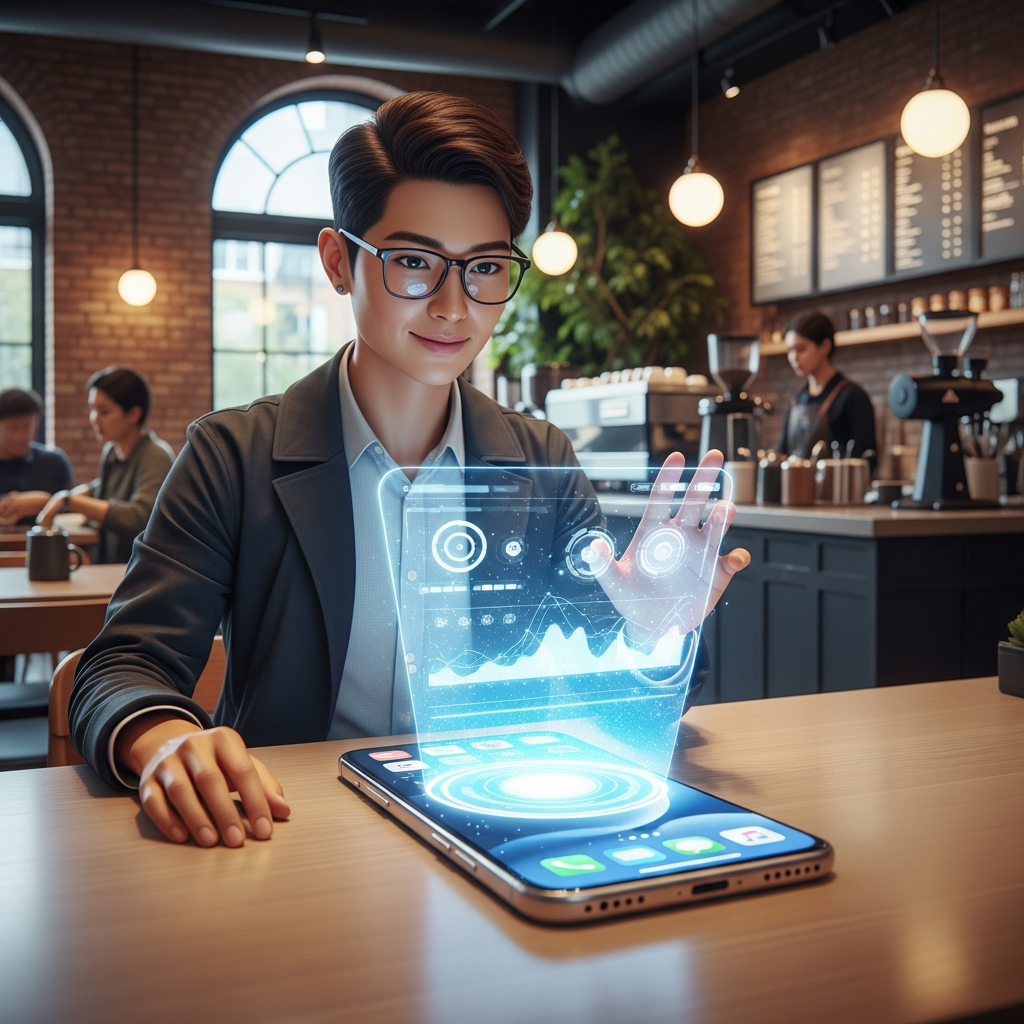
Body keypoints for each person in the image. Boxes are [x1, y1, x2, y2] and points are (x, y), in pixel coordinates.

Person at [69, 92, 751, 850]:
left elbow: (622, 703)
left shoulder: (539, 460)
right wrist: (163, 739)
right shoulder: (234, 455)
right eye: (415, 263)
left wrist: (654, 629)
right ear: (338, 261)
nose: (455, 307)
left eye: (486, 268)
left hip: (498, 822)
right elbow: (122, 665)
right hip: (288, 832)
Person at [36, 368, 174, 563]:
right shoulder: (111, 451)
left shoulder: (155, 455)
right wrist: (78, 494)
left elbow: (139, 517)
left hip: (138, 573)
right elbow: (104, 489)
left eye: (104, 411)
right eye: (92, 409)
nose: (94, 419)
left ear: (134, 414)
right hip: (111, 568)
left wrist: (69, 500)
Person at [780, 312, 877, 467]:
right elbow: (783, 453)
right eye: (790, 350)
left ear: (824, 346)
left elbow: (867, 460)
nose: (793, 357)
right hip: (795, 488)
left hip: (840, 489)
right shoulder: (796, 400)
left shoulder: (851, 396)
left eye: (801, 349)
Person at [0, 387, 73, 526]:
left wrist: (43, 502)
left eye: (28, 426)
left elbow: (72, 514)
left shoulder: (54, 463)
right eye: (13, 428)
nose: (22, 436)